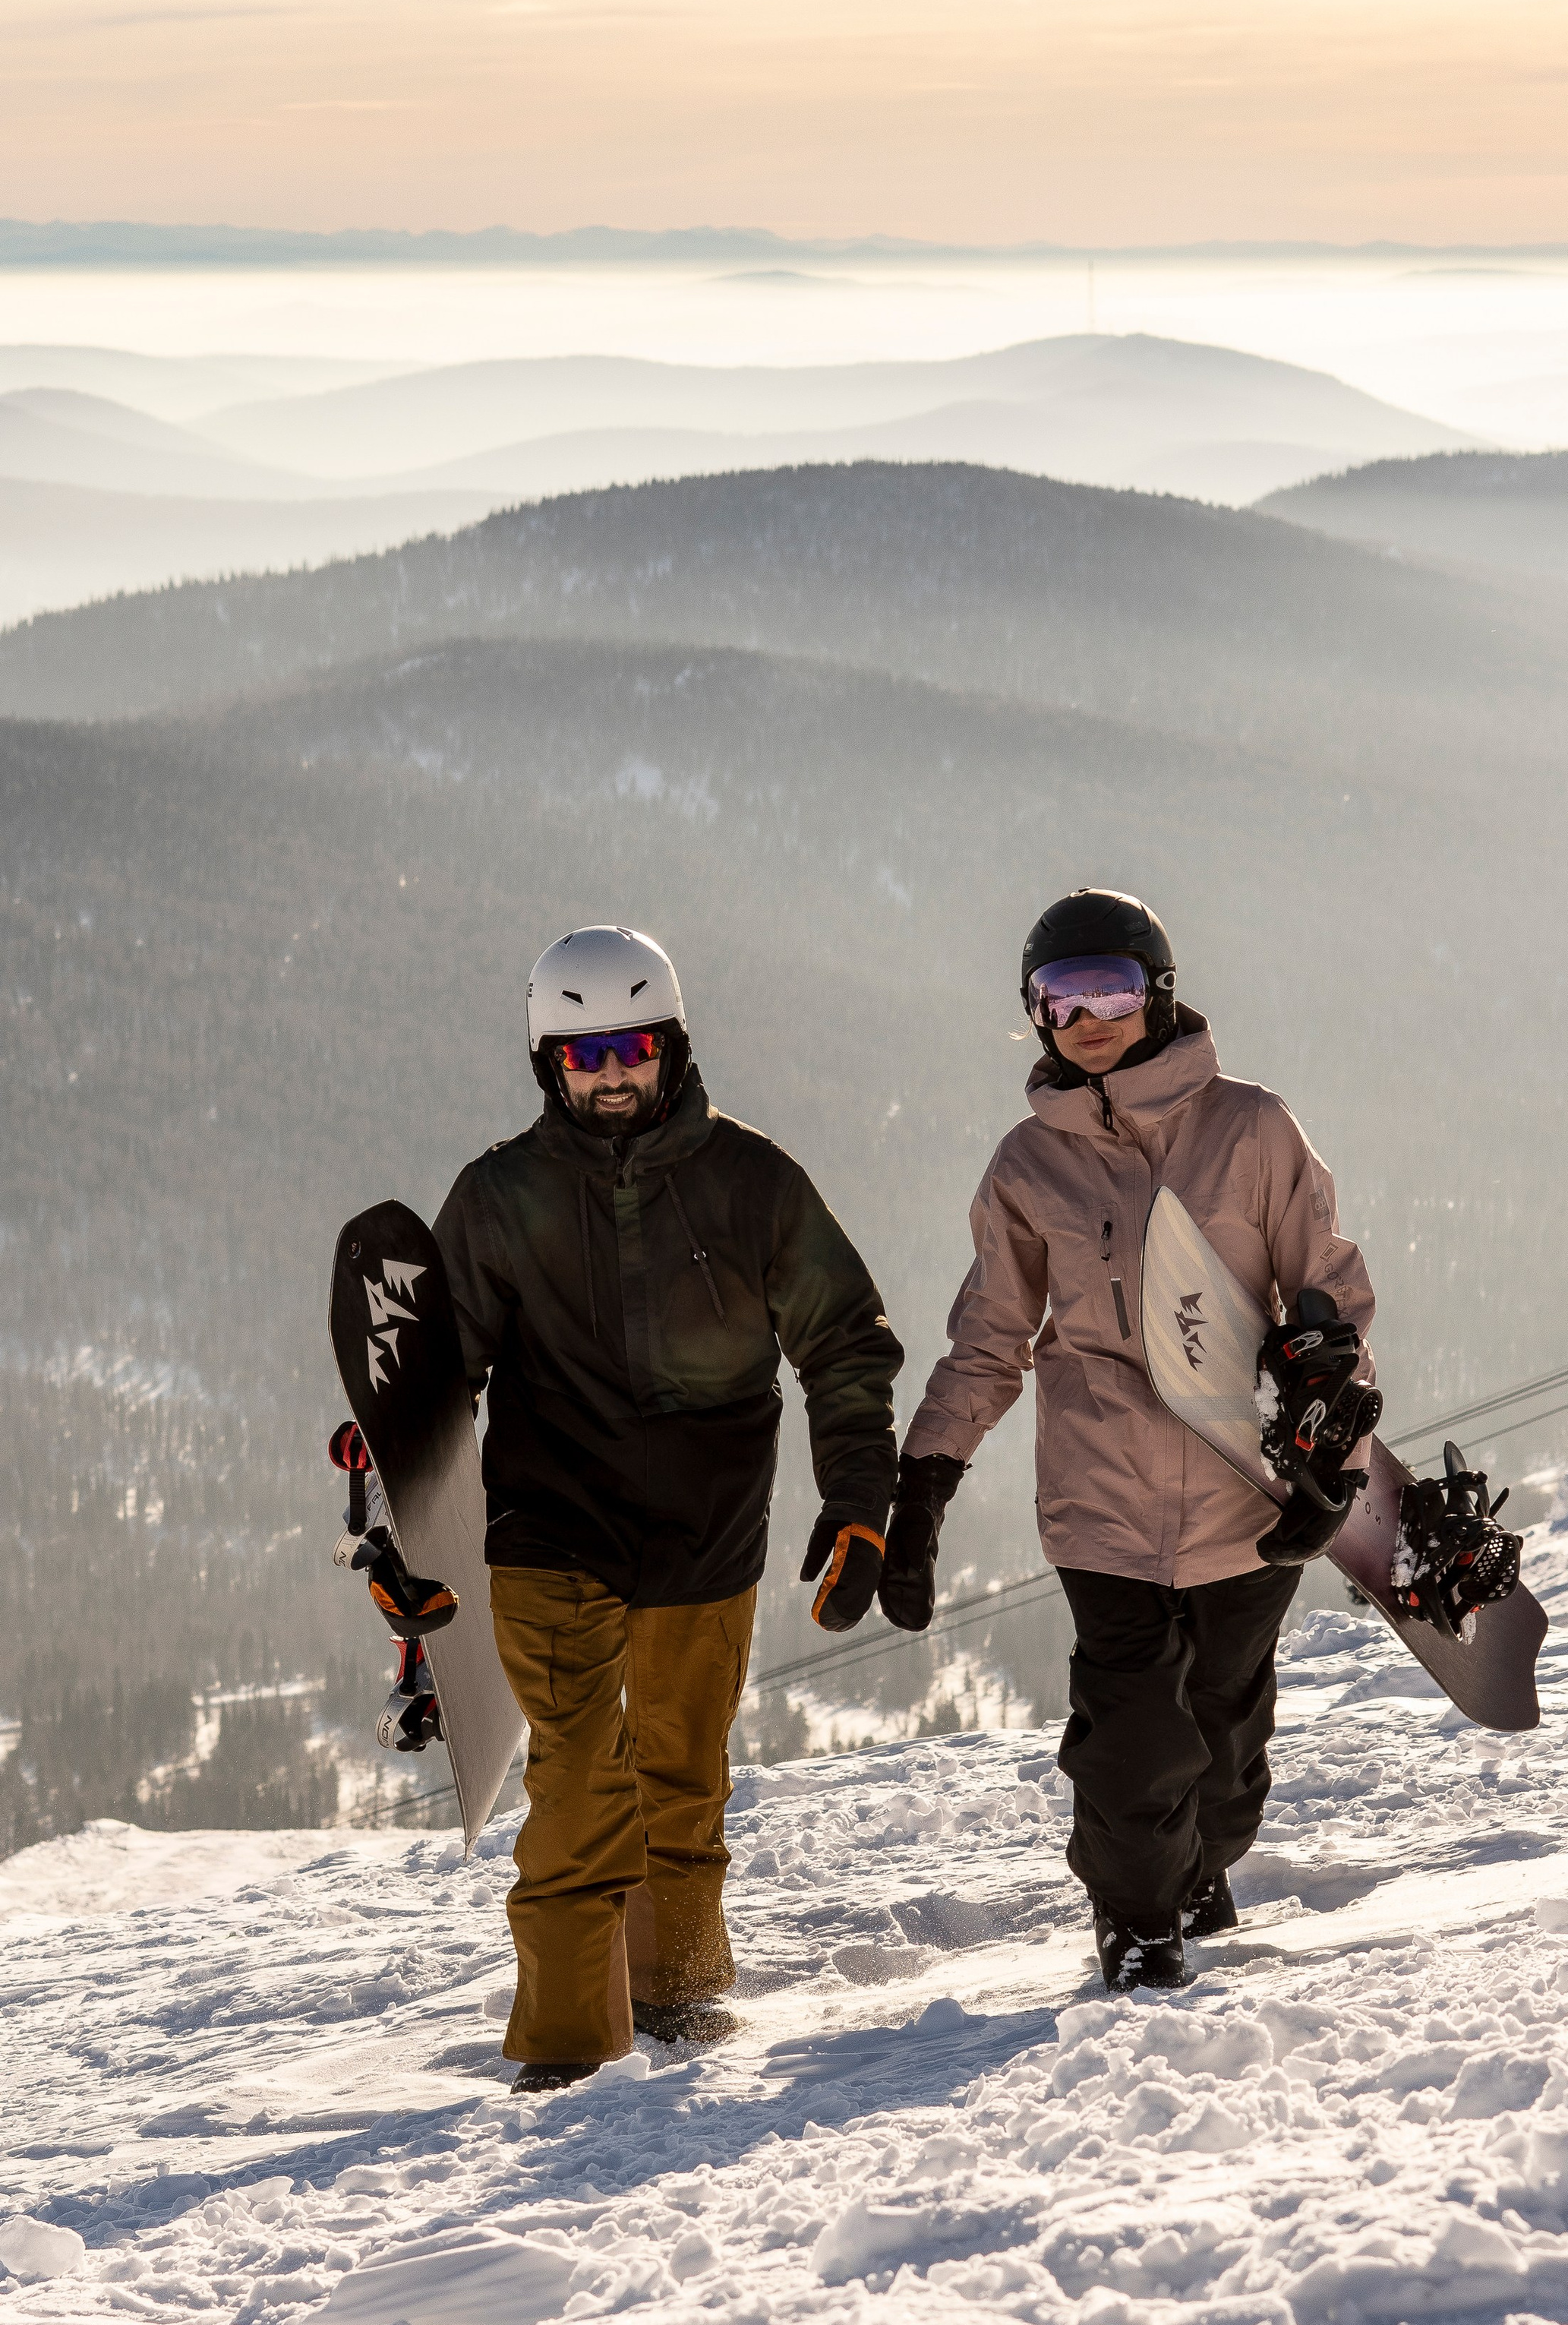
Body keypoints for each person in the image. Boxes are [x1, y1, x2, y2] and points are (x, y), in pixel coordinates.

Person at [427, 926, 902, 2090]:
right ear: (548, 1064)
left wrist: (859, 1501)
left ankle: (681, 1995)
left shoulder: (752, 1182)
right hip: (551, 1526)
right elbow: (439, 1378)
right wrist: (392, 1471)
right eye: (583, 1055)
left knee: (682, 1779)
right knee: (581, 1784)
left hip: (708, 1530)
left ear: (672, 1045)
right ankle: (564, 2044)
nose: (612, 1074)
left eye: (633, 1046)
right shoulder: (500, 1197)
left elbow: (844, 1343)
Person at [882, 887, 1377, 1991]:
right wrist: (924, 1485)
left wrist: (1332, 1444)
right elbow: (989, 1337)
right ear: (1035, 1014)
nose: (1088, 1017)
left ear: (1155, 992)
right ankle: (1138, 1917)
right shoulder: (1028, 1164)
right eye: (1061, 998)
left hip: (1245, 1492)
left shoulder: (1252, 1127)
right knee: (1132, 1736)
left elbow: (1327, 1289)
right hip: (1100, 1494)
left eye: (1109, 988)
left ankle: (1199, 1867)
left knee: (1226, 1746)